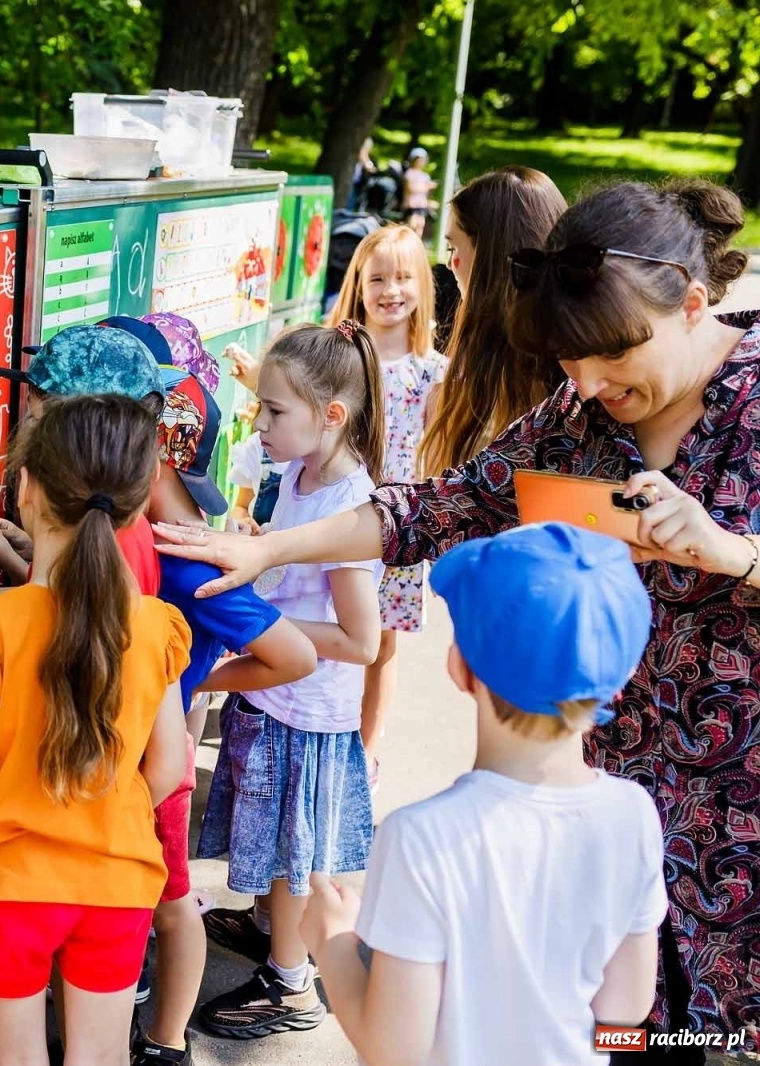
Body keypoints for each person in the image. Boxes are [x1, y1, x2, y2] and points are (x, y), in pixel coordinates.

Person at [151, 178, 760, 1060]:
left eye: (608, 360)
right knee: (618, 1032)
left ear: (693, 305)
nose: (584, 387)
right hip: (598, 800)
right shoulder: (578, 413)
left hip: (733, 826)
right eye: (567, 362)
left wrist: (731, 551)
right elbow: (434, 509)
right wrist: (270, 553)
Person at [303, 522, 664, 1066]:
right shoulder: (634, 815)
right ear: (622, 677)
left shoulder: (420, 838)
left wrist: (332, 943)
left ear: (459, 667)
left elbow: (393, 1050)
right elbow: (626, 1012)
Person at [0, 394, 191, 1066]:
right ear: (135, 507)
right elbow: (167, 765)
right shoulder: (156, 627)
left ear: (26, 490)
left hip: (7, 885)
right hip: (120, 883)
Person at [193, 321, 384, 1041]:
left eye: (274, 411)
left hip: (306, 711)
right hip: (276, 695)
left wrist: (263, 632)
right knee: (280, 849)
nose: (259, 421)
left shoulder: (346, 507)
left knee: (291, 852)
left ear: (331, 416)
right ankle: (279, 934)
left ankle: (291, 982)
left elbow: (362, 642)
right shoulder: (304, 475)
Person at [137, 365, 318, 1066]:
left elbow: (295, 654)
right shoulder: (171, 538)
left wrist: (197, 675)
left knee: (171, 899)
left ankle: (165, 1041)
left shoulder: (185, 558)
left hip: (157, 761)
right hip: (155, 748)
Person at [0, 324, 167, 607]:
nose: (26, 431)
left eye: (37, 420)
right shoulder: (122, 519)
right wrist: (34, 549)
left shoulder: (120, 540)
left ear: (82, 434)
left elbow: (46, 609)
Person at [327, 224, 445, 779]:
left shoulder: (433, 371)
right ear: (358, 285)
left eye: (403, 278)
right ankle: (318, 731)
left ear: (422, 285)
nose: (390, 290)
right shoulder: (343, 356)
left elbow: (439, 452)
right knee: (328, 624)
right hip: (337, 515)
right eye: (377, 278)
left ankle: (364, 751)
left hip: (400, 525)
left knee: (380, 644)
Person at [419, 166, 567, 476]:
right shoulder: (495, 355)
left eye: (454, 247)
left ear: (491, 254)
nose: (451, 262)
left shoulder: (554, 379)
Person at [402, 148, 437, 237]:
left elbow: (426, 194)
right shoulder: (409, 173)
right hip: (412, 206)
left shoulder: (425, 176)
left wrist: (428, 202)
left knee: (420, 226)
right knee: (411, 226)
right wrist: (426, 187)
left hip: (422, 205)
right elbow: (410, 188)